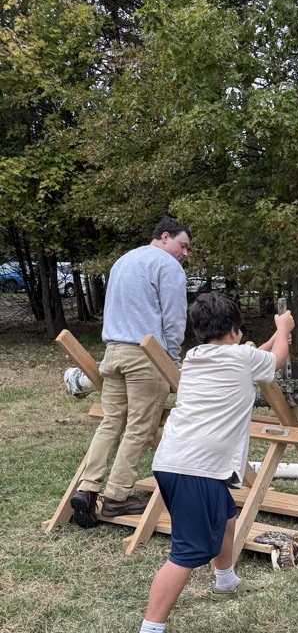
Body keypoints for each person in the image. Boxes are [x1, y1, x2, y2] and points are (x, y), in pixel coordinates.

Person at [127, 292, 294, 633]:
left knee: (225, 514)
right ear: (236, 331)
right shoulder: (241, 358)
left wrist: (268, 339)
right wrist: (283, 328)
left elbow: (257, 359)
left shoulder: (196, 357)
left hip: (175, 463)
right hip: (195, 469)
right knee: (187, 553)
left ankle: (225, 581)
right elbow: (276, 359)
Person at [70, 217, 192, 527]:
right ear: (165, 236)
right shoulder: (168, 266)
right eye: (183, 245)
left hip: (113, 353)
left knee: (111, 423)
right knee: (140, 427)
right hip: (146, 357)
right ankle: (116, 498)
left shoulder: (123, 261)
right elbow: (174, 321)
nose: (185, 253)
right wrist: (172, 364)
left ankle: (87, 489)